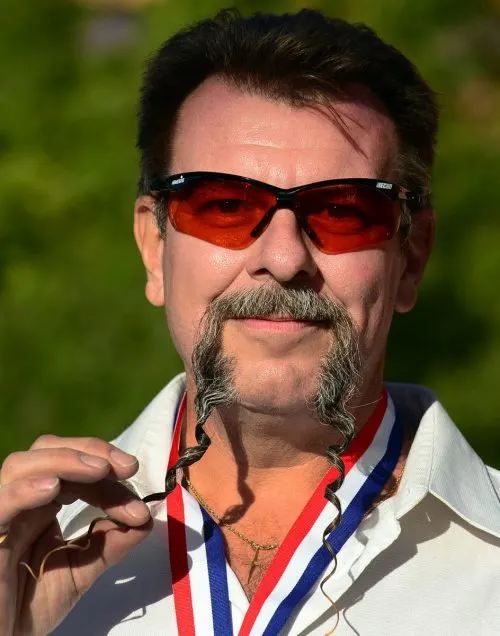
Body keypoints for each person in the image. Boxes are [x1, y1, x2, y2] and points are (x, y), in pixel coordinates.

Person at [1, 8, 499, 636]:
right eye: (225, 205)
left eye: (344, 210)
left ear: (411, 257)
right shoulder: (26, 553)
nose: (284, 259)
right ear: (154, 248)